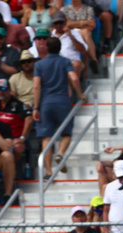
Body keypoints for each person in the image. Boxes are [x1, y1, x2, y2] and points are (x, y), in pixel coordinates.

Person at [32, 36, 83, 177]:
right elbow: (74, 78)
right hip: (63, 102)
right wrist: (80, 94)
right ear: (60, 48)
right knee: (67, 133)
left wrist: (36, 107)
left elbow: (36, 86)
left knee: (46, 138)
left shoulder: (39, 64)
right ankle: (60, 153)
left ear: (47, 48)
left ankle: (48, 171)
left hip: (46, 103)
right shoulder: (65, 61)